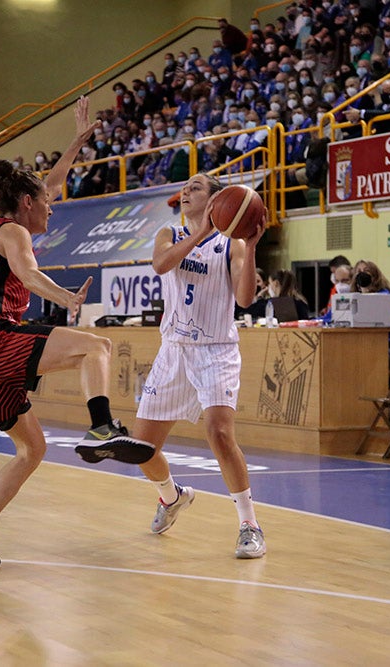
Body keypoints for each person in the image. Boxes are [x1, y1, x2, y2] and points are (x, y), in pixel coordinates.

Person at [0, 97, 154, 572]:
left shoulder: (9, 222)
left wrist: (78, 141)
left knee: (32, 449)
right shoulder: (12, 234)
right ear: (26, 204)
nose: (53, 210)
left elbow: (53, 183)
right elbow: (30, 273)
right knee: (96, 345)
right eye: (46, 204)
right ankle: (102, 424)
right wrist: (66, 299)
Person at [112, 172, 268, 559]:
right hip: (174, 350)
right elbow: (162, 265)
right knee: (141, 448)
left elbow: (246, 299)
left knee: (218, 433)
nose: (186, 192)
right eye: (185, 188)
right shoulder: (169, 233)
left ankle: (249, 524)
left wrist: (249, 246)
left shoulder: (231, 246)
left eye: (196, 187)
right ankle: (171, 497)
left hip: (216, 350)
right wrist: (199, 233)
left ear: (217, 200)